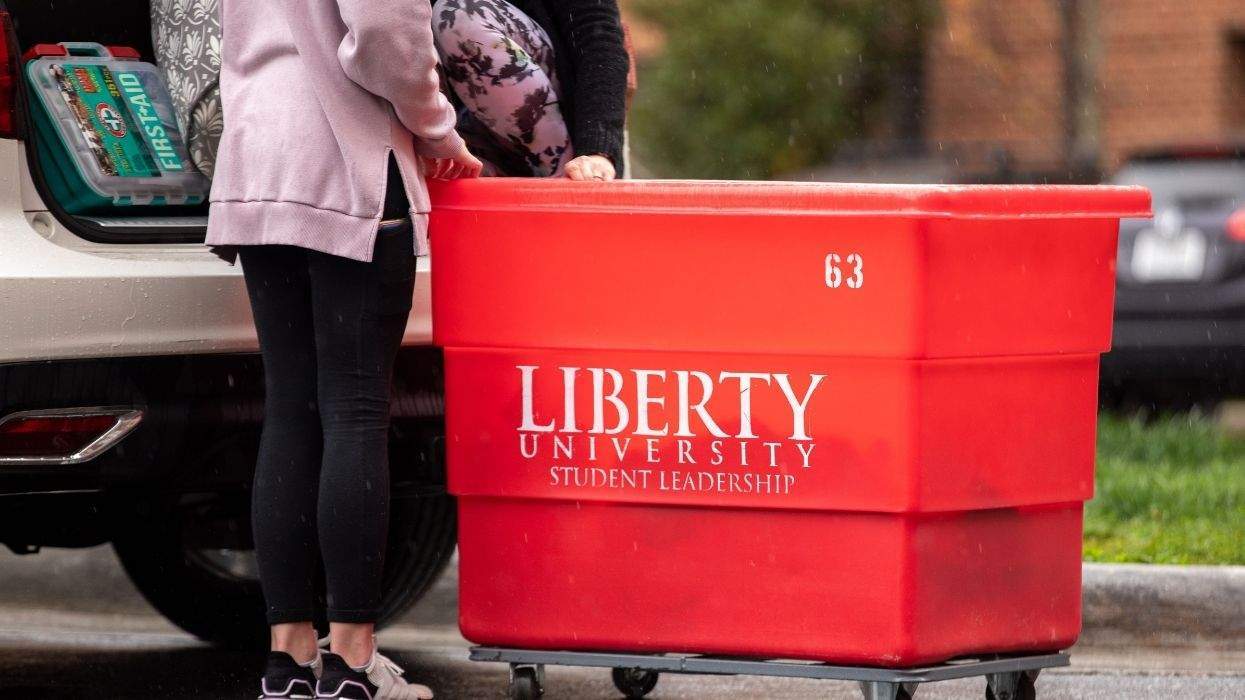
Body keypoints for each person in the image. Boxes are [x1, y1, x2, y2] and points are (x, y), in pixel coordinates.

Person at [204, 1, 479, 698]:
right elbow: (386, 33)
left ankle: (289, 657)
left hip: (260, 154)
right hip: (347, 152)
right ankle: (353, 656)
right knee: (354, 409)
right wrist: (438, 130)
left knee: (290, 408)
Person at [432, 0, 630, 180]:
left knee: (458, 13)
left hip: (562, 129)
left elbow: (598, 37)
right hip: (456, 135)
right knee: (411, 29)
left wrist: (598, 151)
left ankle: (564, 175)